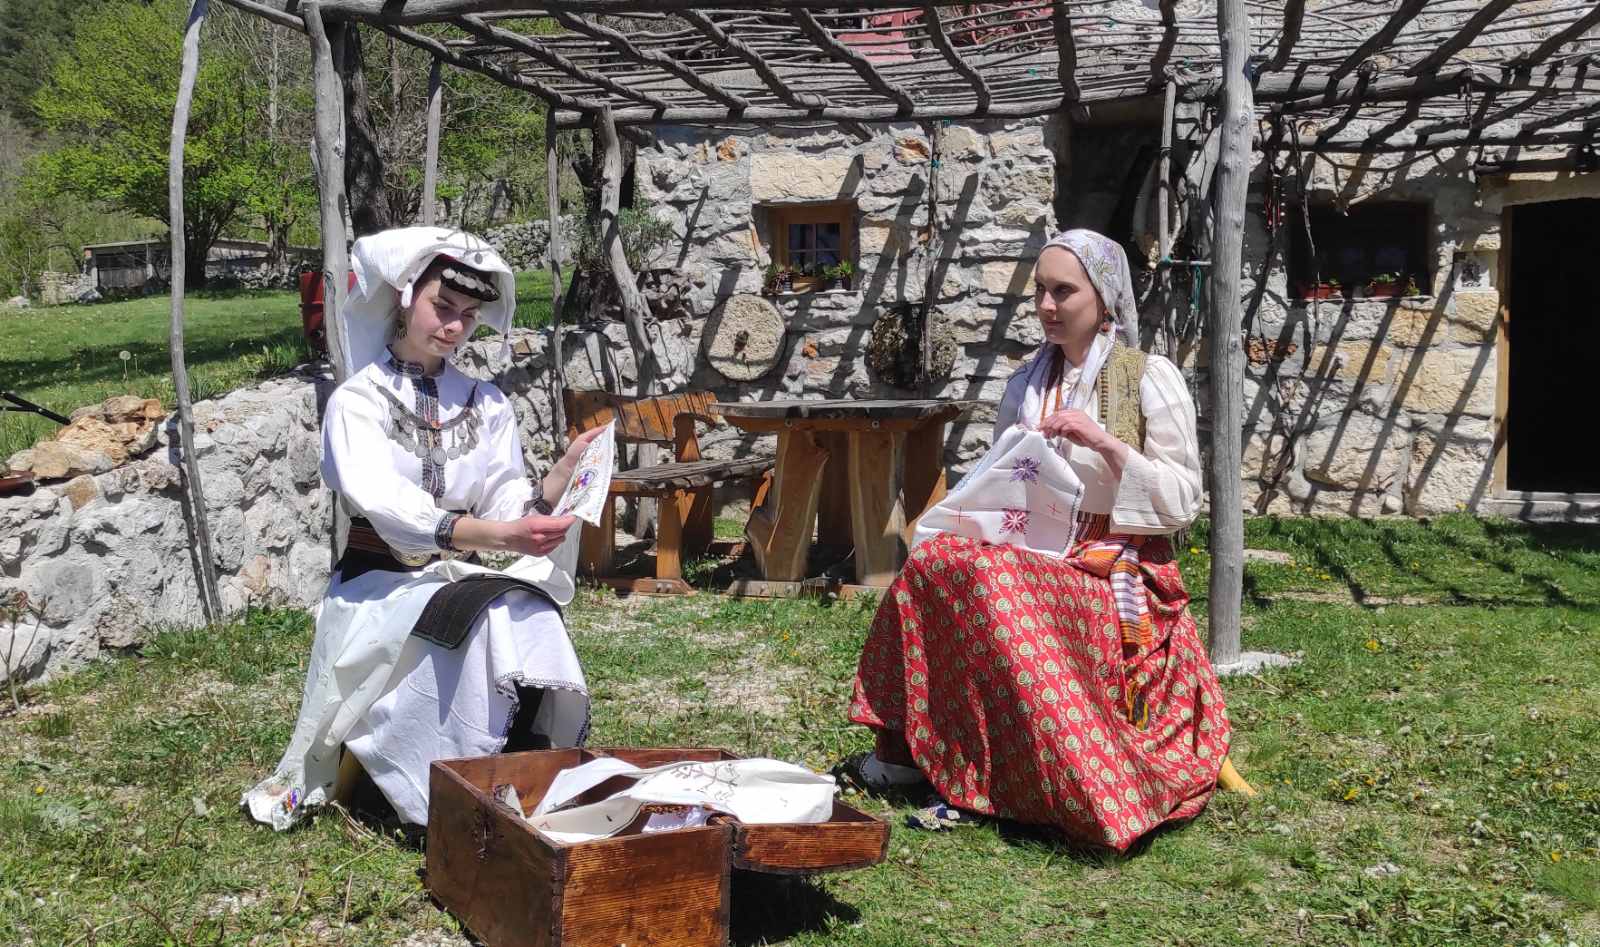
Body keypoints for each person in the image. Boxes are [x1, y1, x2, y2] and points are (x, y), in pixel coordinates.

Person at [847, 228, 1234, 851]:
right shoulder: (1026, 382)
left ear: (1104, 297)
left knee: (992, 578)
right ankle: (908, 749)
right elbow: (1003, 480)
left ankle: (1070, 782)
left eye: (1064, 292)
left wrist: (1106, 444)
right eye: (1040, 292)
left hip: (1116, 565)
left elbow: (1183, 501)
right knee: (935, 560)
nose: (1048, 306)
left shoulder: (1147, 377)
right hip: (1034, 553)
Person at [244, 227, 602, 830]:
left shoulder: (486, 403)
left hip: (457, 578)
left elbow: (506, 503)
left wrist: (557, 480)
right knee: (488, 616)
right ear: (405, 298)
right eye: (443, 306)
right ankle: (440, 793)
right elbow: (383, 503)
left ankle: (525, 763)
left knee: (528, 609)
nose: (455, 326)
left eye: (468, 315)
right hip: (378, 584)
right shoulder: (359, 400)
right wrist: (494, 538)